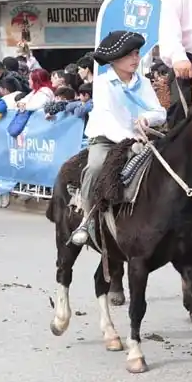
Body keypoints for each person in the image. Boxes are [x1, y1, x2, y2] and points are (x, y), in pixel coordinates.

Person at [70, 31, 167, 245]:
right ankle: (86, 217)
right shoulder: (103, 83)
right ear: (115, 58)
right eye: (130, 54)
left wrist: (147, 119)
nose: (136, 59)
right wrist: (129, 139)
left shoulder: (143, 83)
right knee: (95, 167)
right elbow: (107, 117)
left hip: (141, 139)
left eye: (137, 54)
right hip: (106, 139)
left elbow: (160, 112)